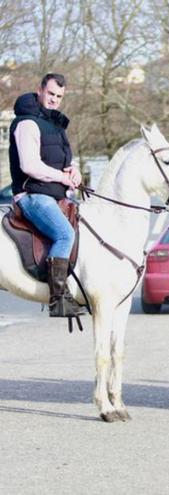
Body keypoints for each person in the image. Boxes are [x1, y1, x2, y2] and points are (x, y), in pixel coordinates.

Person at [8, 73, 84, 318]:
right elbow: (30, 165)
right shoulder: (27, 123)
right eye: (50, 94)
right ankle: (59, 299)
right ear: (39, 90)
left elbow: (64, 161)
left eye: (59, 96)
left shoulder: (55, 125)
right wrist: (62, 178)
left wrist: (74, 171)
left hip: (55, 195)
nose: (54, 100)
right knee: (65, 234)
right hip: (33, 195)